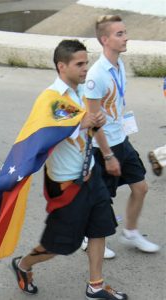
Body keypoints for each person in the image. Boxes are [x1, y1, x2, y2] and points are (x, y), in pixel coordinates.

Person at [11, 39, 128, 300]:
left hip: (91, 174)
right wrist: (88, 120)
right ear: (61, 66)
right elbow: (60, 127)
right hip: (67, 184)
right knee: (57, 246)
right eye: (80, 64)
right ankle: (23, 265)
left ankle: (95, 285)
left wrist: (102, 142)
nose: (86, 68)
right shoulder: (50, 99)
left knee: (100, 228)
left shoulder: (80, 93)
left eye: (87, 62)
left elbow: (88, 125)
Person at [82, 15, 160, 256]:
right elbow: (93, 123)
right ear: (104, 40)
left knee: (141, 187)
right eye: (120, 34)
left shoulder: (119, 64)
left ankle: (131, 232)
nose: (126, 38)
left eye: (125, 32)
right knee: (101, 198)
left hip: (121, 141)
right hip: (102, 147)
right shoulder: (96, 76)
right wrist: (107, 156)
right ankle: (88, 237)